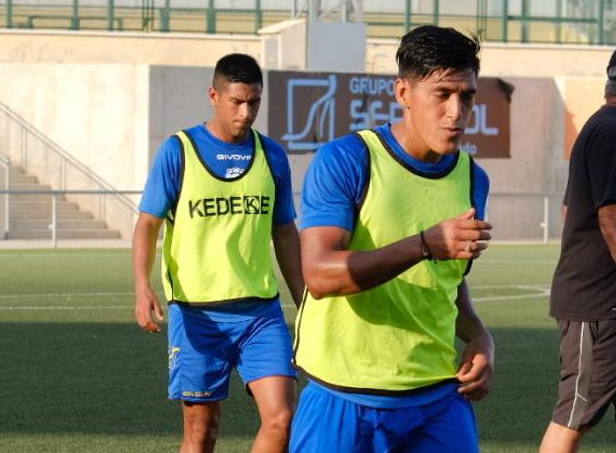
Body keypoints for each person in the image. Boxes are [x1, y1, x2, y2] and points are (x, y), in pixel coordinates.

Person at [291, 25, 494, 452]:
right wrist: (424, 244)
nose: (456, 112)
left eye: (467, 96)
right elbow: (320, 274)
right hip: (344, 396)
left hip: (439, 397)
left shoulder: (473, 180)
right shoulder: (348, 160)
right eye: (442, 94)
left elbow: (447, 284)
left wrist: (478, 335)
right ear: (403, 93)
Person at [133, 53, 304, 452]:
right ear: (214, 95)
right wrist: (142, 286)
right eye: (237, 101)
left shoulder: (271, 156)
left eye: (255, 103)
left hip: (260, 314)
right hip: (198, 314)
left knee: (281, 419)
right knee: (202, 432)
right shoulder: (179, 151)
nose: (246, 113)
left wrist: (307, 304)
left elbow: (285, 234)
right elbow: (147, 225)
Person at [539, 50, 616, 453]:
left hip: (603, 300)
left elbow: (572, 208)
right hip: (597, 305)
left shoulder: (599, 127)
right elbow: (610, 217)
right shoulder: (612, 129)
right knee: (574, 416)